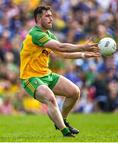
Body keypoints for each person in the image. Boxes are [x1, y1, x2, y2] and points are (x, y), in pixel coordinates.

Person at [20, 5, 100, 137]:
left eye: (51, 16)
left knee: (74, 92)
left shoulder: (48, 34)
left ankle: (61, 120)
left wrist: (83, 54)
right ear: (39, 18)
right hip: (30, 78)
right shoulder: (35, 34)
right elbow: (61, 47)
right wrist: (83, 46)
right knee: (51, 98)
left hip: (46, 75)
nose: (51, 18)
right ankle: (65, 132)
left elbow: (61, 53)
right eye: (47, 16)